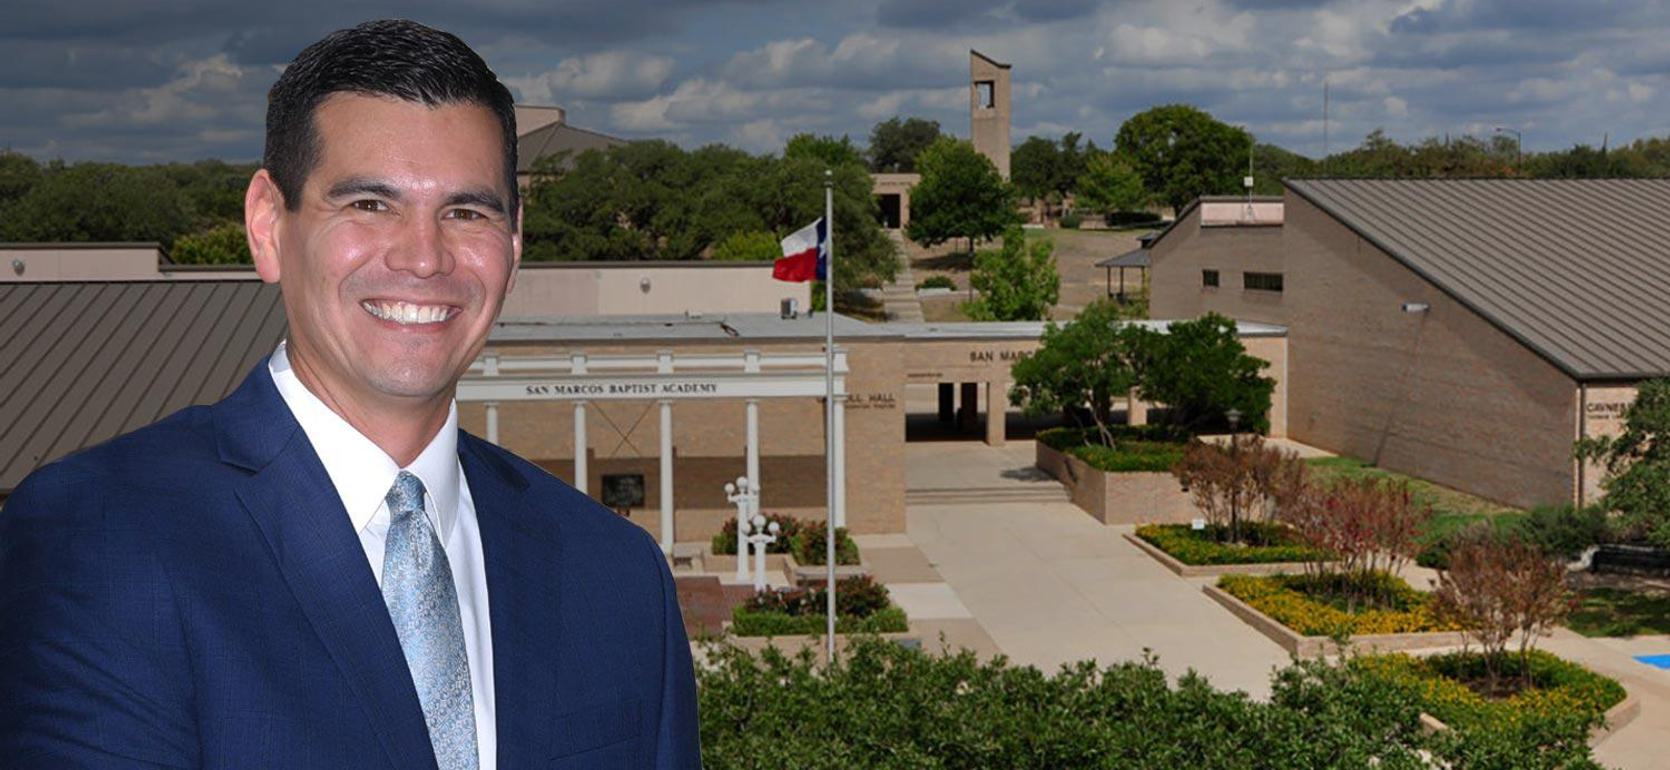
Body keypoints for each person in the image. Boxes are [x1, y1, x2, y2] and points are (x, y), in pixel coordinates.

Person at [0, 19, 699, 769]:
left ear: (516, 242)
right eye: (369, 204)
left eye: (466, 211)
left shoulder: (616, 577)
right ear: (268, 226)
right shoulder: (101, 537)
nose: (424, 257)